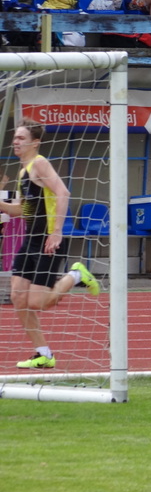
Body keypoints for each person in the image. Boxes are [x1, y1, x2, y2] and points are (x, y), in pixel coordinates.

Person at [0, 120, 100, 369]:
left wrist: (56, 232)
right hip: (30, 241)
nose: (15, 141)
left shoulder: (40, 163)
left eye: (21, 138)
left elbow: (63, 193)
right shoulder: (23, 172)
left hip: (48, 241)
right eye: (15, 137)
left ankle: (77, 275)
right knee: (18, 297)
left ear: (35, 143)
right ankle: (44, 354)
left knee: (39, 302)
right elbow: (21, 210)